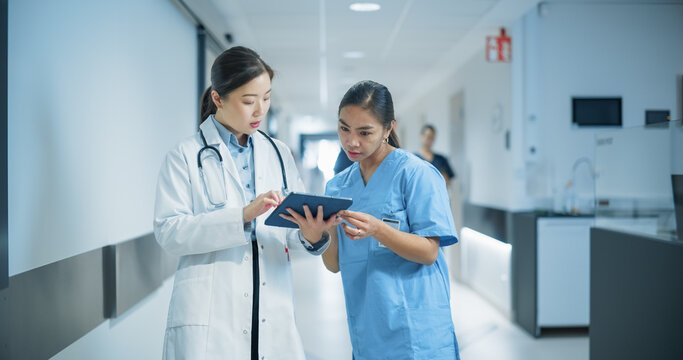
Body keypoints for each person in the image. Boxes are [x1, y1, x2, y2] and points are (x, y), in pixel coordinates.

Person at [154, 46, 326, 360]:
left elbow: (288, 232)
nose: (260, 110)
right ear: (218, 99)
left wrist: (310, 235)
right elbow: (169, 231)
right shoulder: (184, 156)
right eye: (249, 101)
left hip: (272, 306)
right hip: (210, 317)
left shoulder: (278, 153)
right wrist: (243, 215)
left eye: (267, 98)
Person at [283, 80, 460, 359]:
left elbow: (429, 251)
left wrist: (378, 229)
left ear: (389, 128)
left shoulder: (416, 174)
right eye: (344, 129)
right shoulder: (337, 187)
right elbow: (334, 265)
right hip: (368, 326)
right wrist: (318, 235)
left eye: (365, 132)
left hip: (417, 328)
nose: (352, 142)